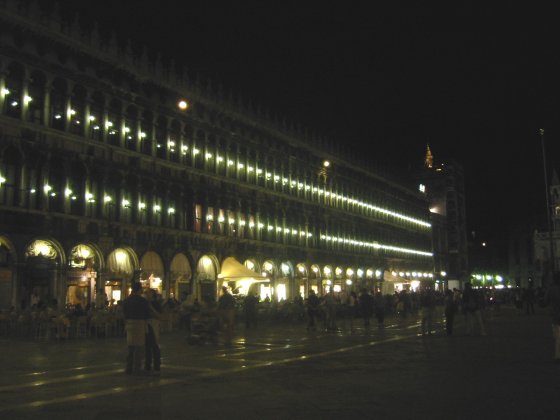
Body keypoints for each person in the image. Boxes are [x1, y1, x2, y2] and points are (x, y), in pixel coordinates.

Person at [123, 282, 150, 374]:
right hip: (140, 323)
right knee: (139, 347)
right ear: (139, 289)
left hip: (129, 323)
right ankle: (137, 368)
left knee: (130, 347)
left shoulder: (126, 300)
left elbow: (124, 313)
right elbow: (146, 313)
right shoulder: (143, 301)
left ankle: (128, 367)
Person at [543, 273, 560, 362]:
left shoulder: (551, 289)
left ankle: (558, 355)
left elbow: (545, 301)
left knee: (557, 336)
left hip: (555, 314)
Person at [145, 289, 162, 374]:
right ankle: (147, 364)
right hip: (146, 324)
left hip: (153, 324)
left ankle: (156, 364)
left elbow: (159, 315)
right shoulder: (144, 303)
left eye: (149, 293)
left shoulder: (155, 303)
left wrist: (151, 309)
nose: (147, 295)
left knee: (155, 344)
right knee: (147, 345)